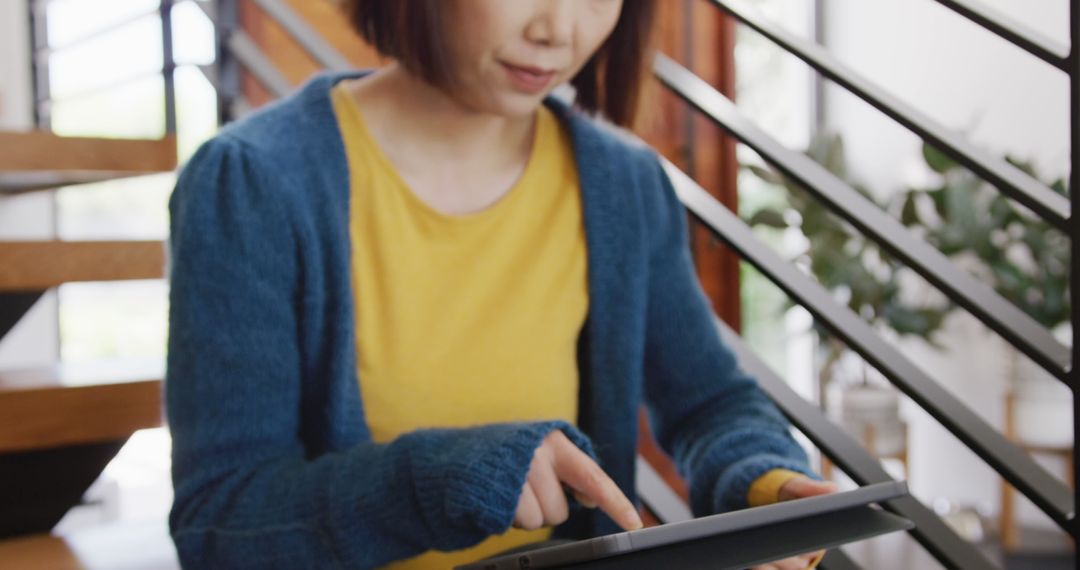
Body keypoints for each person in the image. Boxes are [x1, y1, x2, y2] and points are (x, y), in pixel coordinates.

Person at [165, 1, 835, 568]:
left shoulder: (624, 185)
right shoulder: (251, 185)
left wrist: (763, 482)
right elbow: (219, 522)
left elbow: (709, 403)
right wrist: (442, 480)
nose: (559, 30)